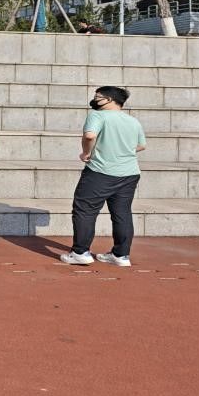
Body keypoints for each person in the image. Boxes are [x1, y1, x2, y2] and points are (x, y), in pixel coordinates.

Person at [61, 86, 146, 267]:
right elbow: (141, 145)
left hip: (100, 172)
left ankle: (80, 252)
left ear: (109, 99)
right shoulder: (133, 121)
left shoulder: (97, 115)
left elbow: (90, 135)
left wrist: (86, 153)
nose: (94, 99)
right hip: (130, 174)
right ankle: (121, 255)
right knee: (122, 213)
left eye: (98, 96)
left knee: (85, 210)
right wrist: (121, 151)